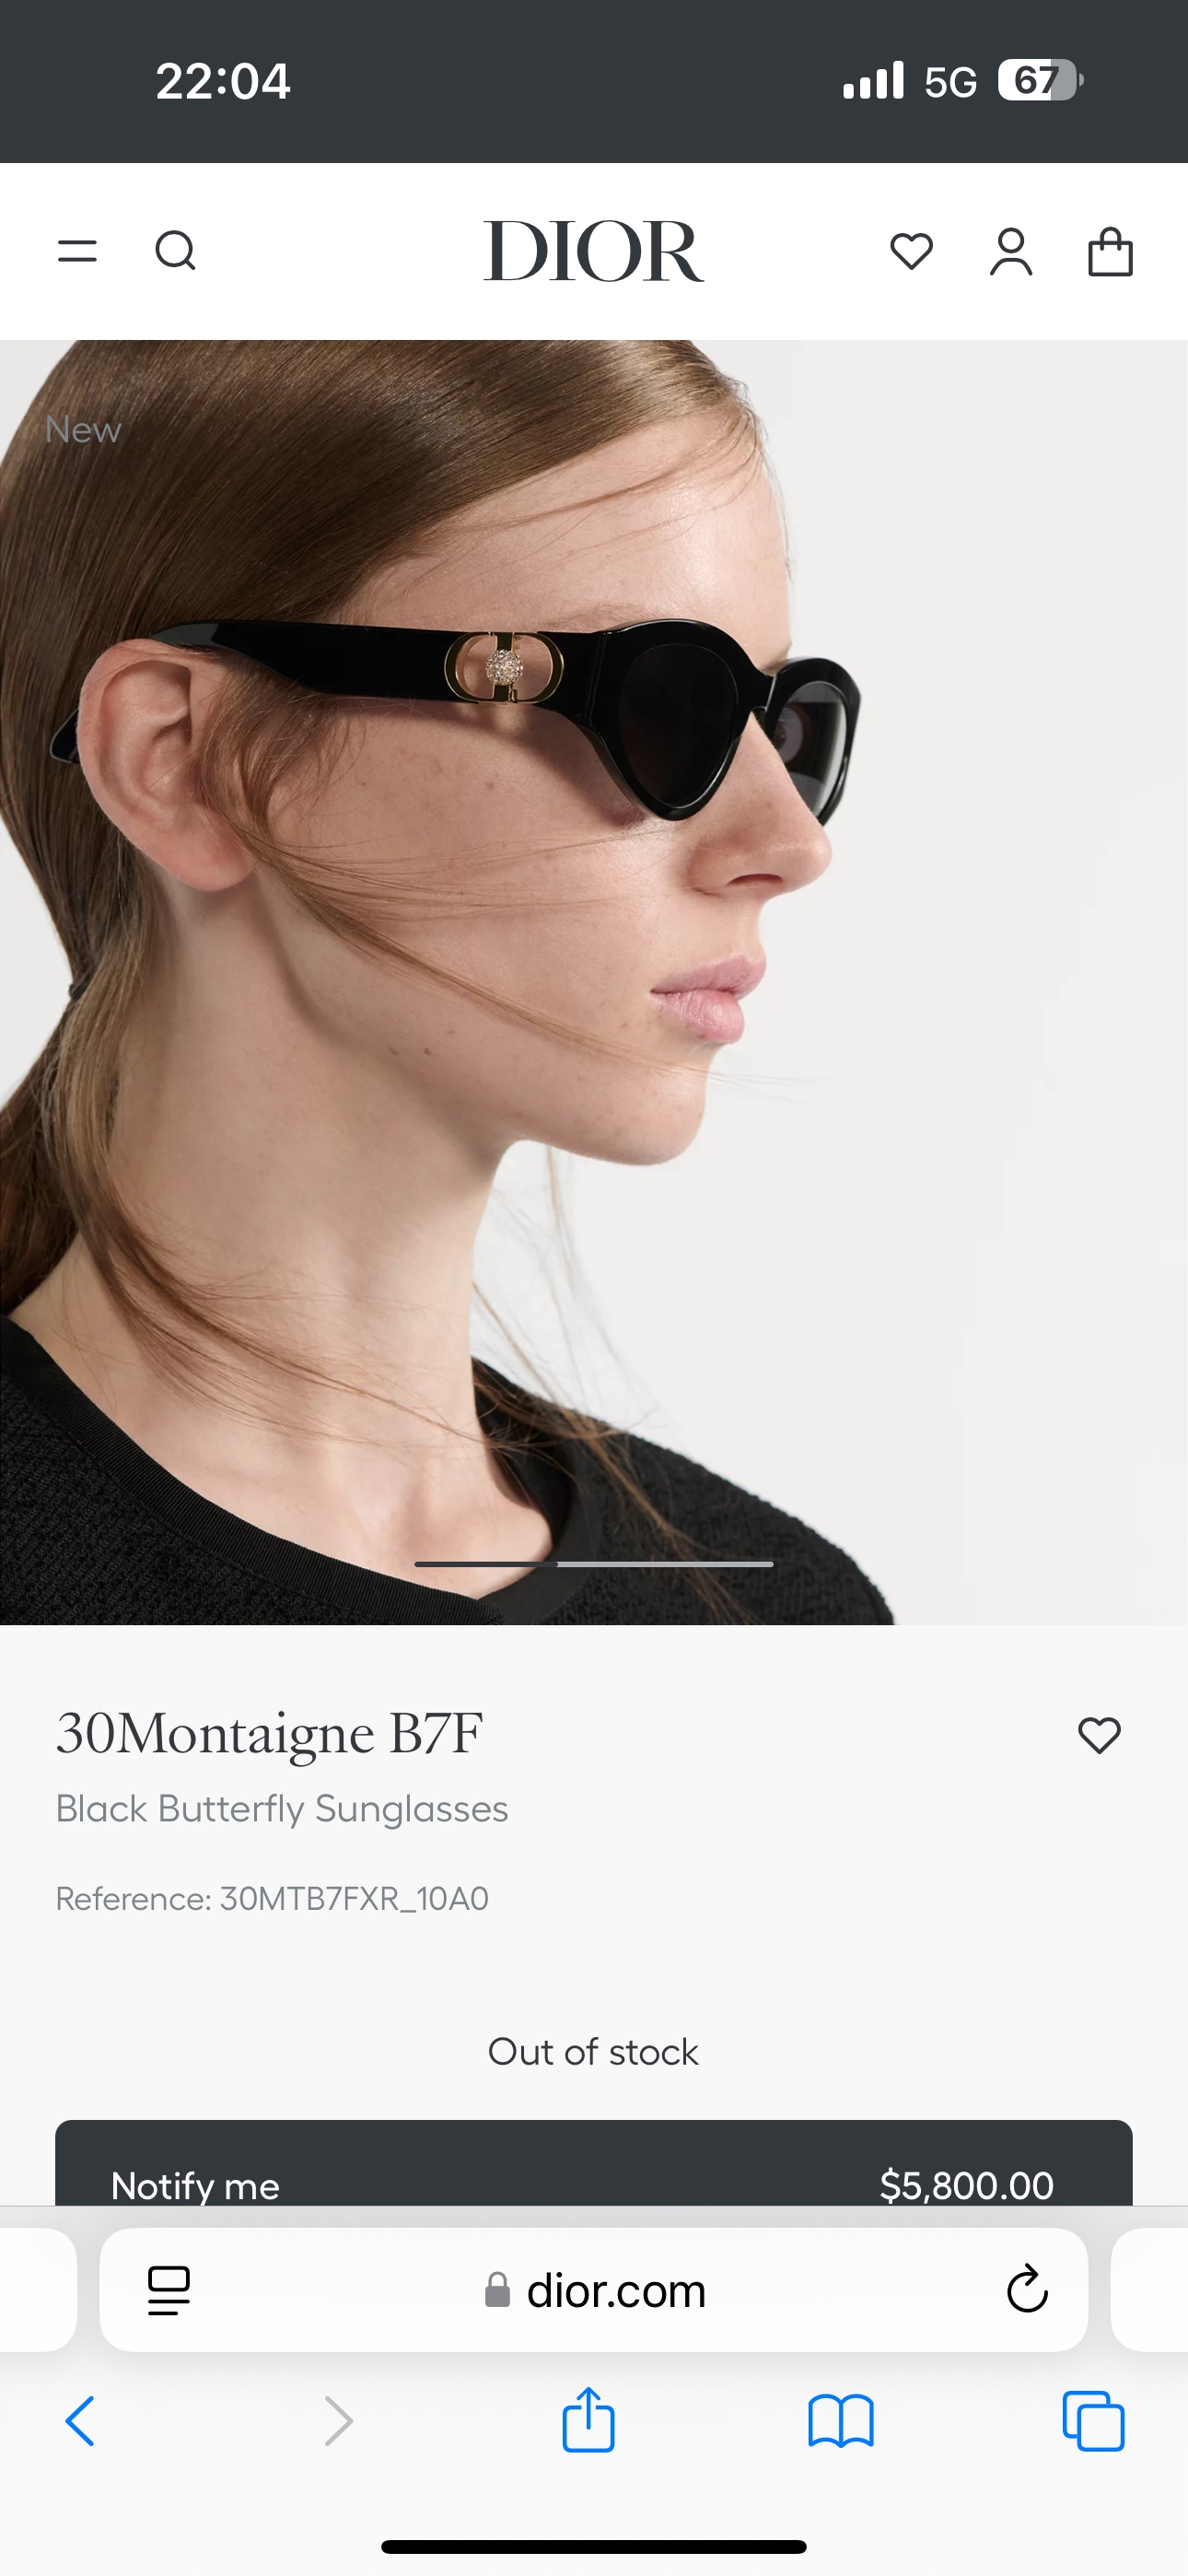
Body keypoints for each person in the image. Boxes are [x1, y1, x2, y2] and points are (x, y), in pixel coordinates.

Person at [0, 339, 889, 1625]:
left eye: (780, 720)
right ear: (180, 759)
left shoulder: (782, 1617)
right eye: (658, 700)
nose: (791, 843)